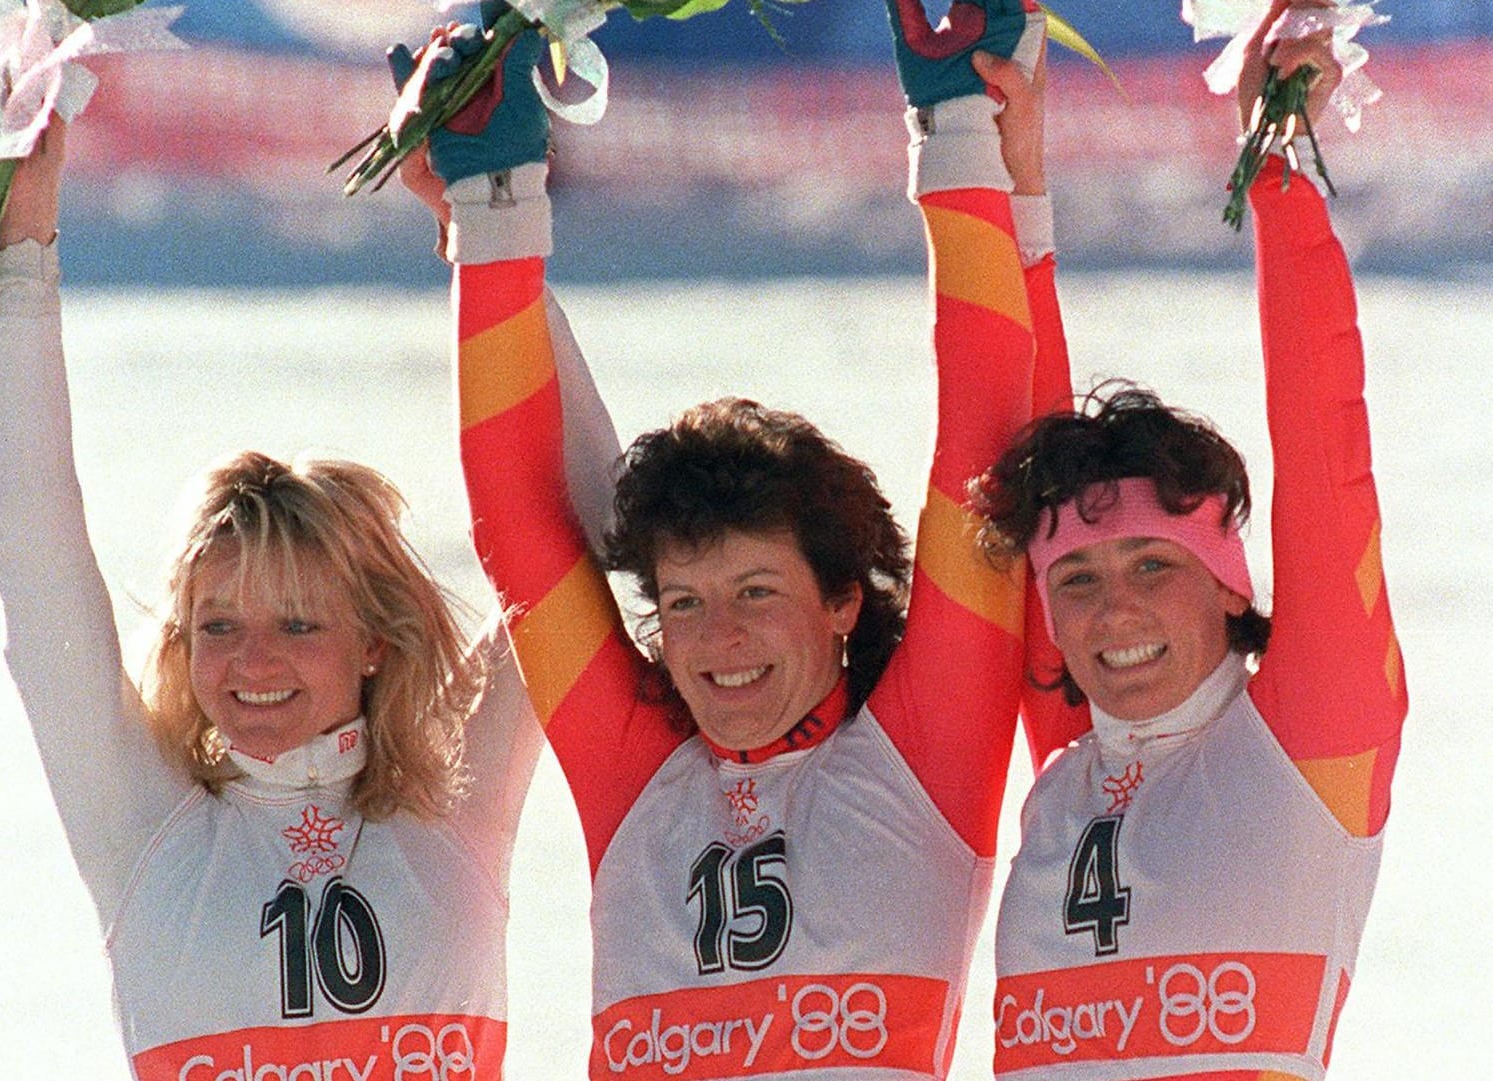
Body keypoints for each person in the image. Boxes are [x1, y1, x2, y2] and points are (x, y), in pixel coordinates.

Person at [404, 1, 1048, 1074]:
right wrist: (495, 207)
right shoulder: (637, 772)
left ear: (844, 599)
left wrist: (957, 130)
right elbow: (521, 536)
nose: (718, 640)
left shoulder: (925, 753)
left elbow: (983, 450)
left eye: (757, 591)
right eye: (687, 602)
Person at [0, 112, 620, 1079]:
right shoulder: (143, 827)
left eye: (298, 621)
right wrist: (19, 247)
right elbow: (36, 557)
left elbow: (598, 533)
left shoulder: (454, 798)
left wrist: (491, 246)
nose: (251, 661)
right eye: (218, 624)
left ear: (374, 638)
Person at [978, 2, 1408, 1076]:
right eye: (1076, 578)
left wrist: (1276, 168)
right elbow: (1021, 470)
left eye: (1154, 564)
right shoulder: (1072, 753)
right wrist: (1014, 192)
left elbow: (1324, 447)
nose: (1111, 610)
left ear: (1228, 586)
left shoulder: (1311, 736)